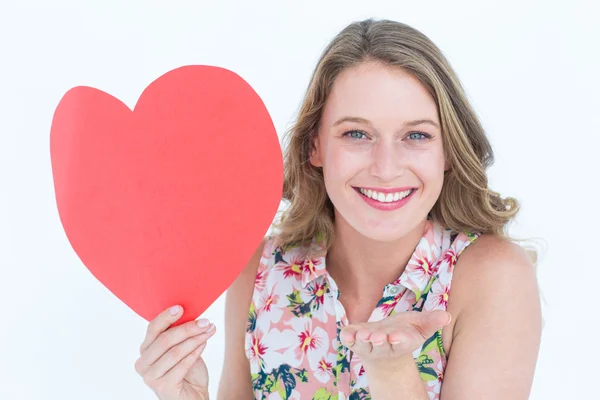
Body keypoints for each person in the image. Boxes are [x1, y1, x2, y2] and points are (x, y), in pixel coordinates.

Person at [134, 18, 542, 400]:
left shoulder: (492, 276)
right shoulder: (261, 271)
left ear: (448, 151)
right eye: (357, 134)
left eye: (416, 135)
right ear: (315, 146)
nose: (385, 168)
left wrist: (393, 370)